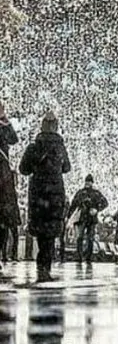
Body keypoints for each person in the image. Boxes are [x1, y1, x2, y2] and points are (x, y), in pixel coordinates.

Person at [19, 111, 71, 282]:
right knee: (50, 230)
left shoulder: (34, 147)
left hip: (38, 191)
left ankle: (41, 267)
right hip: (55, 191)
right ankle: (45, 267)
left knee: (41, 229)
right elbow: (67, 168)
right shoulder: (60, 147)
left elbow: (23, 169)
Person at [68, 174, 108, 265]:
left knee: (88, 238)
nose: (87, 183)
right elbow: (73, 204)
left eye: (89, 181)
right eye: (87, 181)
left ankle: (86, 256)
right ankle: (81, 256)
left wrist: (97, 209)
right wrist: (69, 215)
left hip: (89, 218)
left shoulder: (93, 193)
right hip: (83, 218)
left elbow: (105, 203)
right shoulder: (83, 193)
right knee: (81, 237)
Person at [0, 105, 20, 273]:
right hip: (3, 174)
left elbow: (14, 139)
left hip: (2, 172)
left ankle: (3, 254)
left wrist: (5, 122)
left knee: (4, 219)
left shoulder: (2, 127)